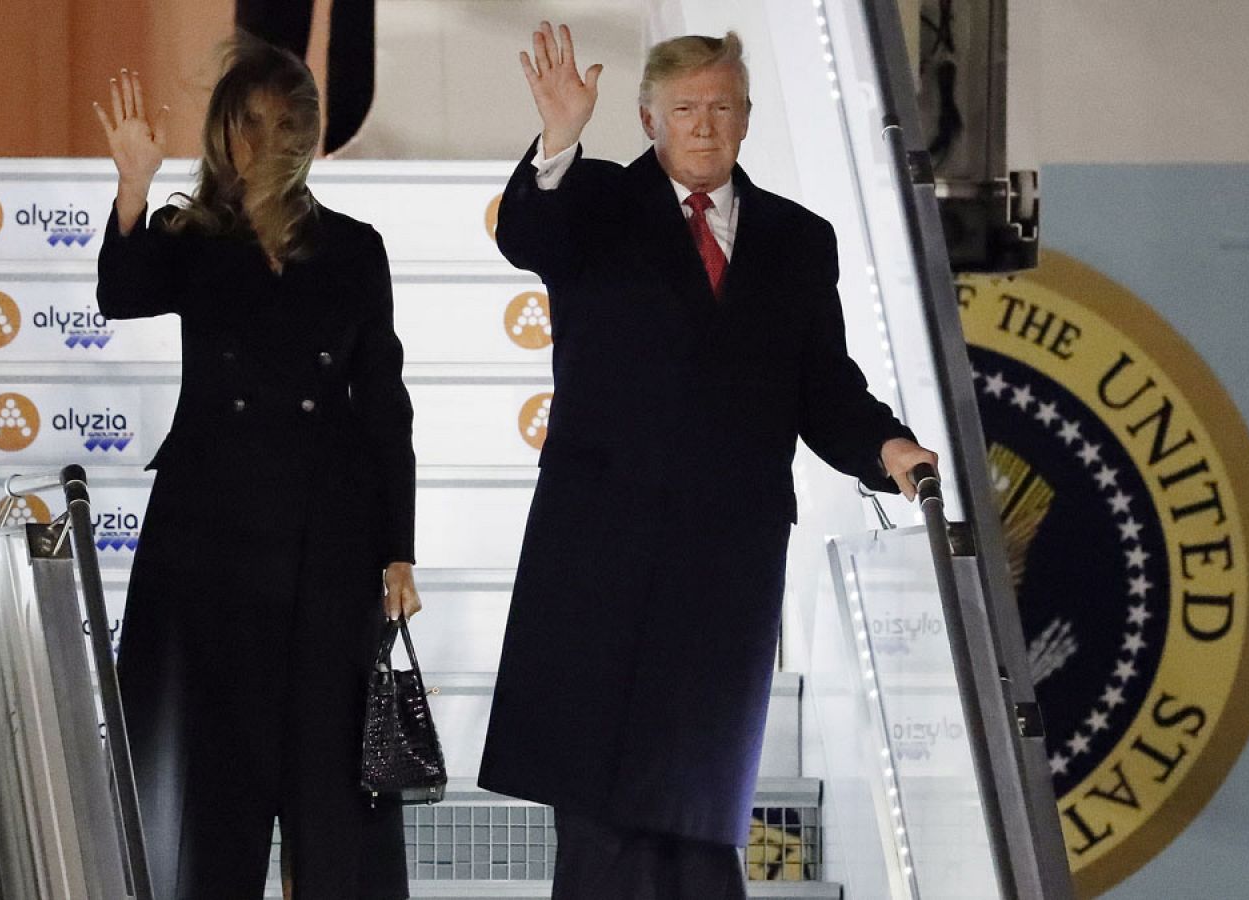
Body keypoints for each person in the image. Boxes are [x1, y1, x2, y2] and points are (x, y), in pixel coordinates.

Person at [477, 23, 940, 900]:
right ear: (649, 118)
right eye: (685, 107)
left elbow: (825, 388)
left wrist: (888, 450)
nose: (704, 124)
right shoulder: (597, 204)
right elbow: (528, 234)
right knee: (600, 818)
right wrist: (563, 137)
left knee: (696, 818)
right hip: (599, 562)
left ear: (747, 118)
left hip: (723, 569)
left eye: (721, 106)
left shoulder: (800, 241)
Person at [93, 33, 419, 900]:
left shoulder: (355, 248)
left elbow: (384, 405)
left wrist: (399, 549)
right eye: (245, 123)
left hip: (328, 549)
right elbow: (121, 294)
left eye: (279, 123)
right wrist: (133, 186)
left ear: (307, 135)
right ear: (221, 134)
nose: (260, 141)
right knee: (213, 791)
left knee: (328, 787)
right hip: (209, 548)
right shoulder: (189, 234)